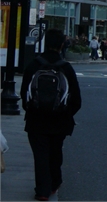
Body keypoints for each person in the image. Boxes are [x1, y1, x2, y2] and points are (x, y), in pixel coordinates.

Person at [20, 29, 82, 201]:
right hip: (59, 120)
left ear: (45, 43)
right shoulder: (66, 68)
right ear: (62, 45)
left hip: (36, 119)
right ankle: (54, 182)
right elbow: (77, 100)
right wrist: (66, 114)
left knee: (40, 155)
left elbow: (24, 93)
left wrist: (32, 109)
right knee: (55, 152)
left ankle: (42, 190)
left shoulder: (34, 65)